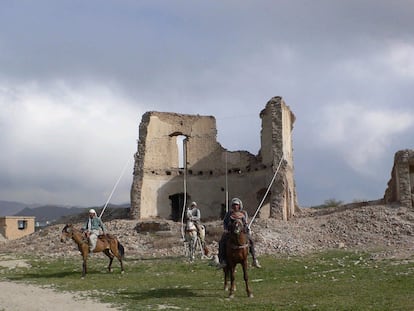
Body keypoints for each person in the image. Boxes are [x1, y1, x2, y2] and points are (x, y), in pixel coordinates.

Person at [217, 198, 261, 268]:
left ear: (239, 205)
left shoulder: (243, 213)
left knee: (251, 241)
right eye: (234, 205)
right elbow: (225, 222)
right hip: (230, 232)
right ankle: (222, 260)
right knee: (222, 242)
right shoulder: (229, 213)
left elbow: (245, 222)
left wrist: (246, 228)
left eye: (236, 205)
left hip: (242, 232)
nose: (235, 206)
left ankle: (254, 259)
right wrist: (225, 229)